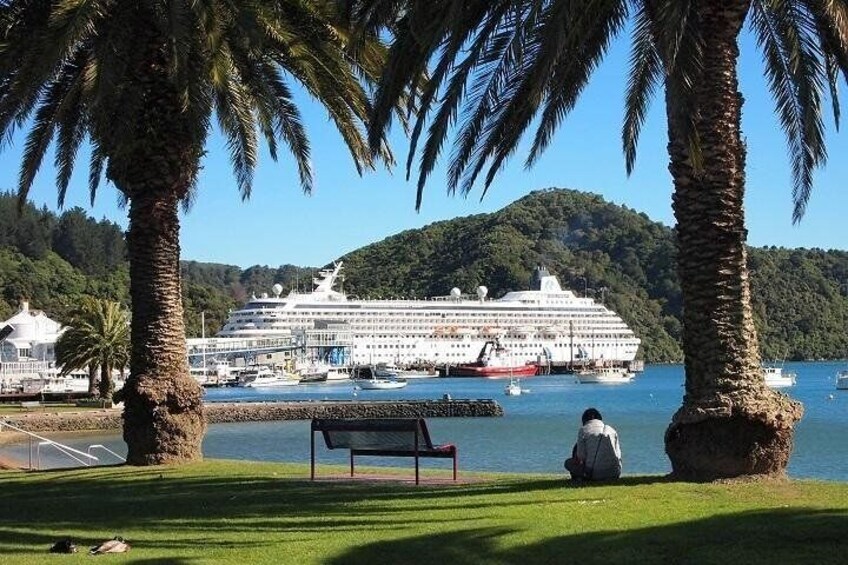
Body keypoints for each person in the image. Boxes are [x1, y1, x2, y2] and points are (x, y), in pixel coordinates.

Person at [564, 408, 622, 481]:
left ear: (584, 420)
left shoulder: (583, 430)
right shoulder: (611, 430)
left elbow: (581, 456)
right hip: (615, 473)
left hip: (595, 474)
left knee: (568, 463)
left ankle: (579, 478)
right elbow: (618, 455)